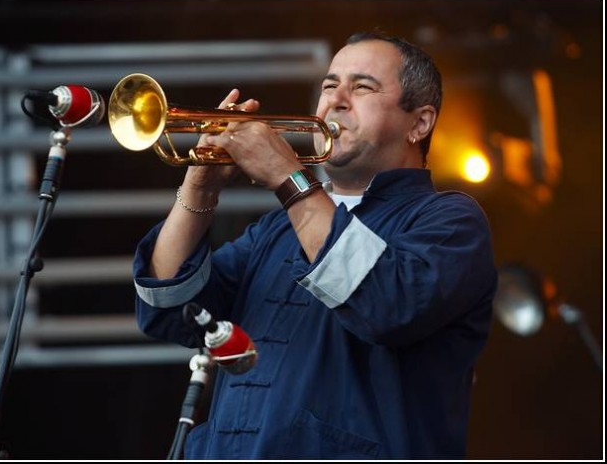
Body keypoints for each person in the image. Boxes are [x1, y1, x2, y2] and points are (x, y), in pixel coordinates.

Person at [132, 30, 497, 459]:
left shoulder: (449, 220)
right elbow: (168, 309)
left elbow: (385, 305)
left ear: (419, 122)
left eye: (362, 87)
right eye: (329, 86)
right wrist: (198, 186)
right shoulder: (275, 229)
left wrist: (288, 177)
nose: (336, 100)